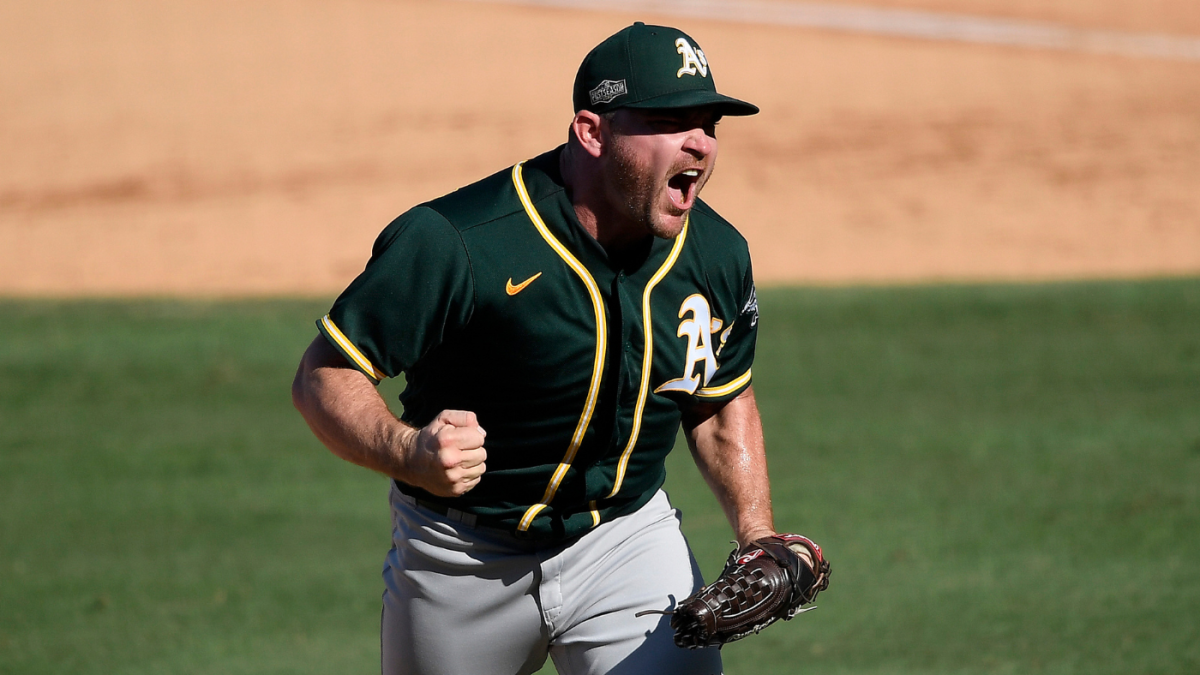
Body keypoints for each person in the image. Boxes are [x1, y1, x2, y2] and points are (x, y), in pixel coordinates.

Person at [293, 22, 807, 675]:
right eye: (671, 120)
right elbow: (324, 373)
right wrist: (410, 452)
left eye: (709, 123)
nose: (700, 144)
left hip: (626, 539)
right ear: (592, 132)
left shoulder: (717, 256)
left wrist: (757, 532)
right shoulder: (461, 241)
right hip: (461, 554)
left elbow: (719, 398)